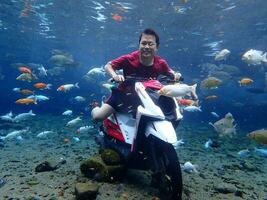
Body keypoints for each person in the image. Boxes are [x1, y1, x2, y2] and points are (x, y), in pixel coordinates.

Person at [91, 28, 183, 122]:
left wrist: (175, 75)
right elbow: (108, 66)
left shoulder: (161, 63)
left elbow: (169, 72)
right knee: (98, 117)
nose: (146, 47)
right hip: (123, 94)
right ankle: (95, 106)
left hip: (147, 98)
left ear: (157, 47)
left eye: (150, 44)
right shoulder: (129, 58)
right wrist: (115, 76)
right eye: (143, 43)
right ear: (139, 45)